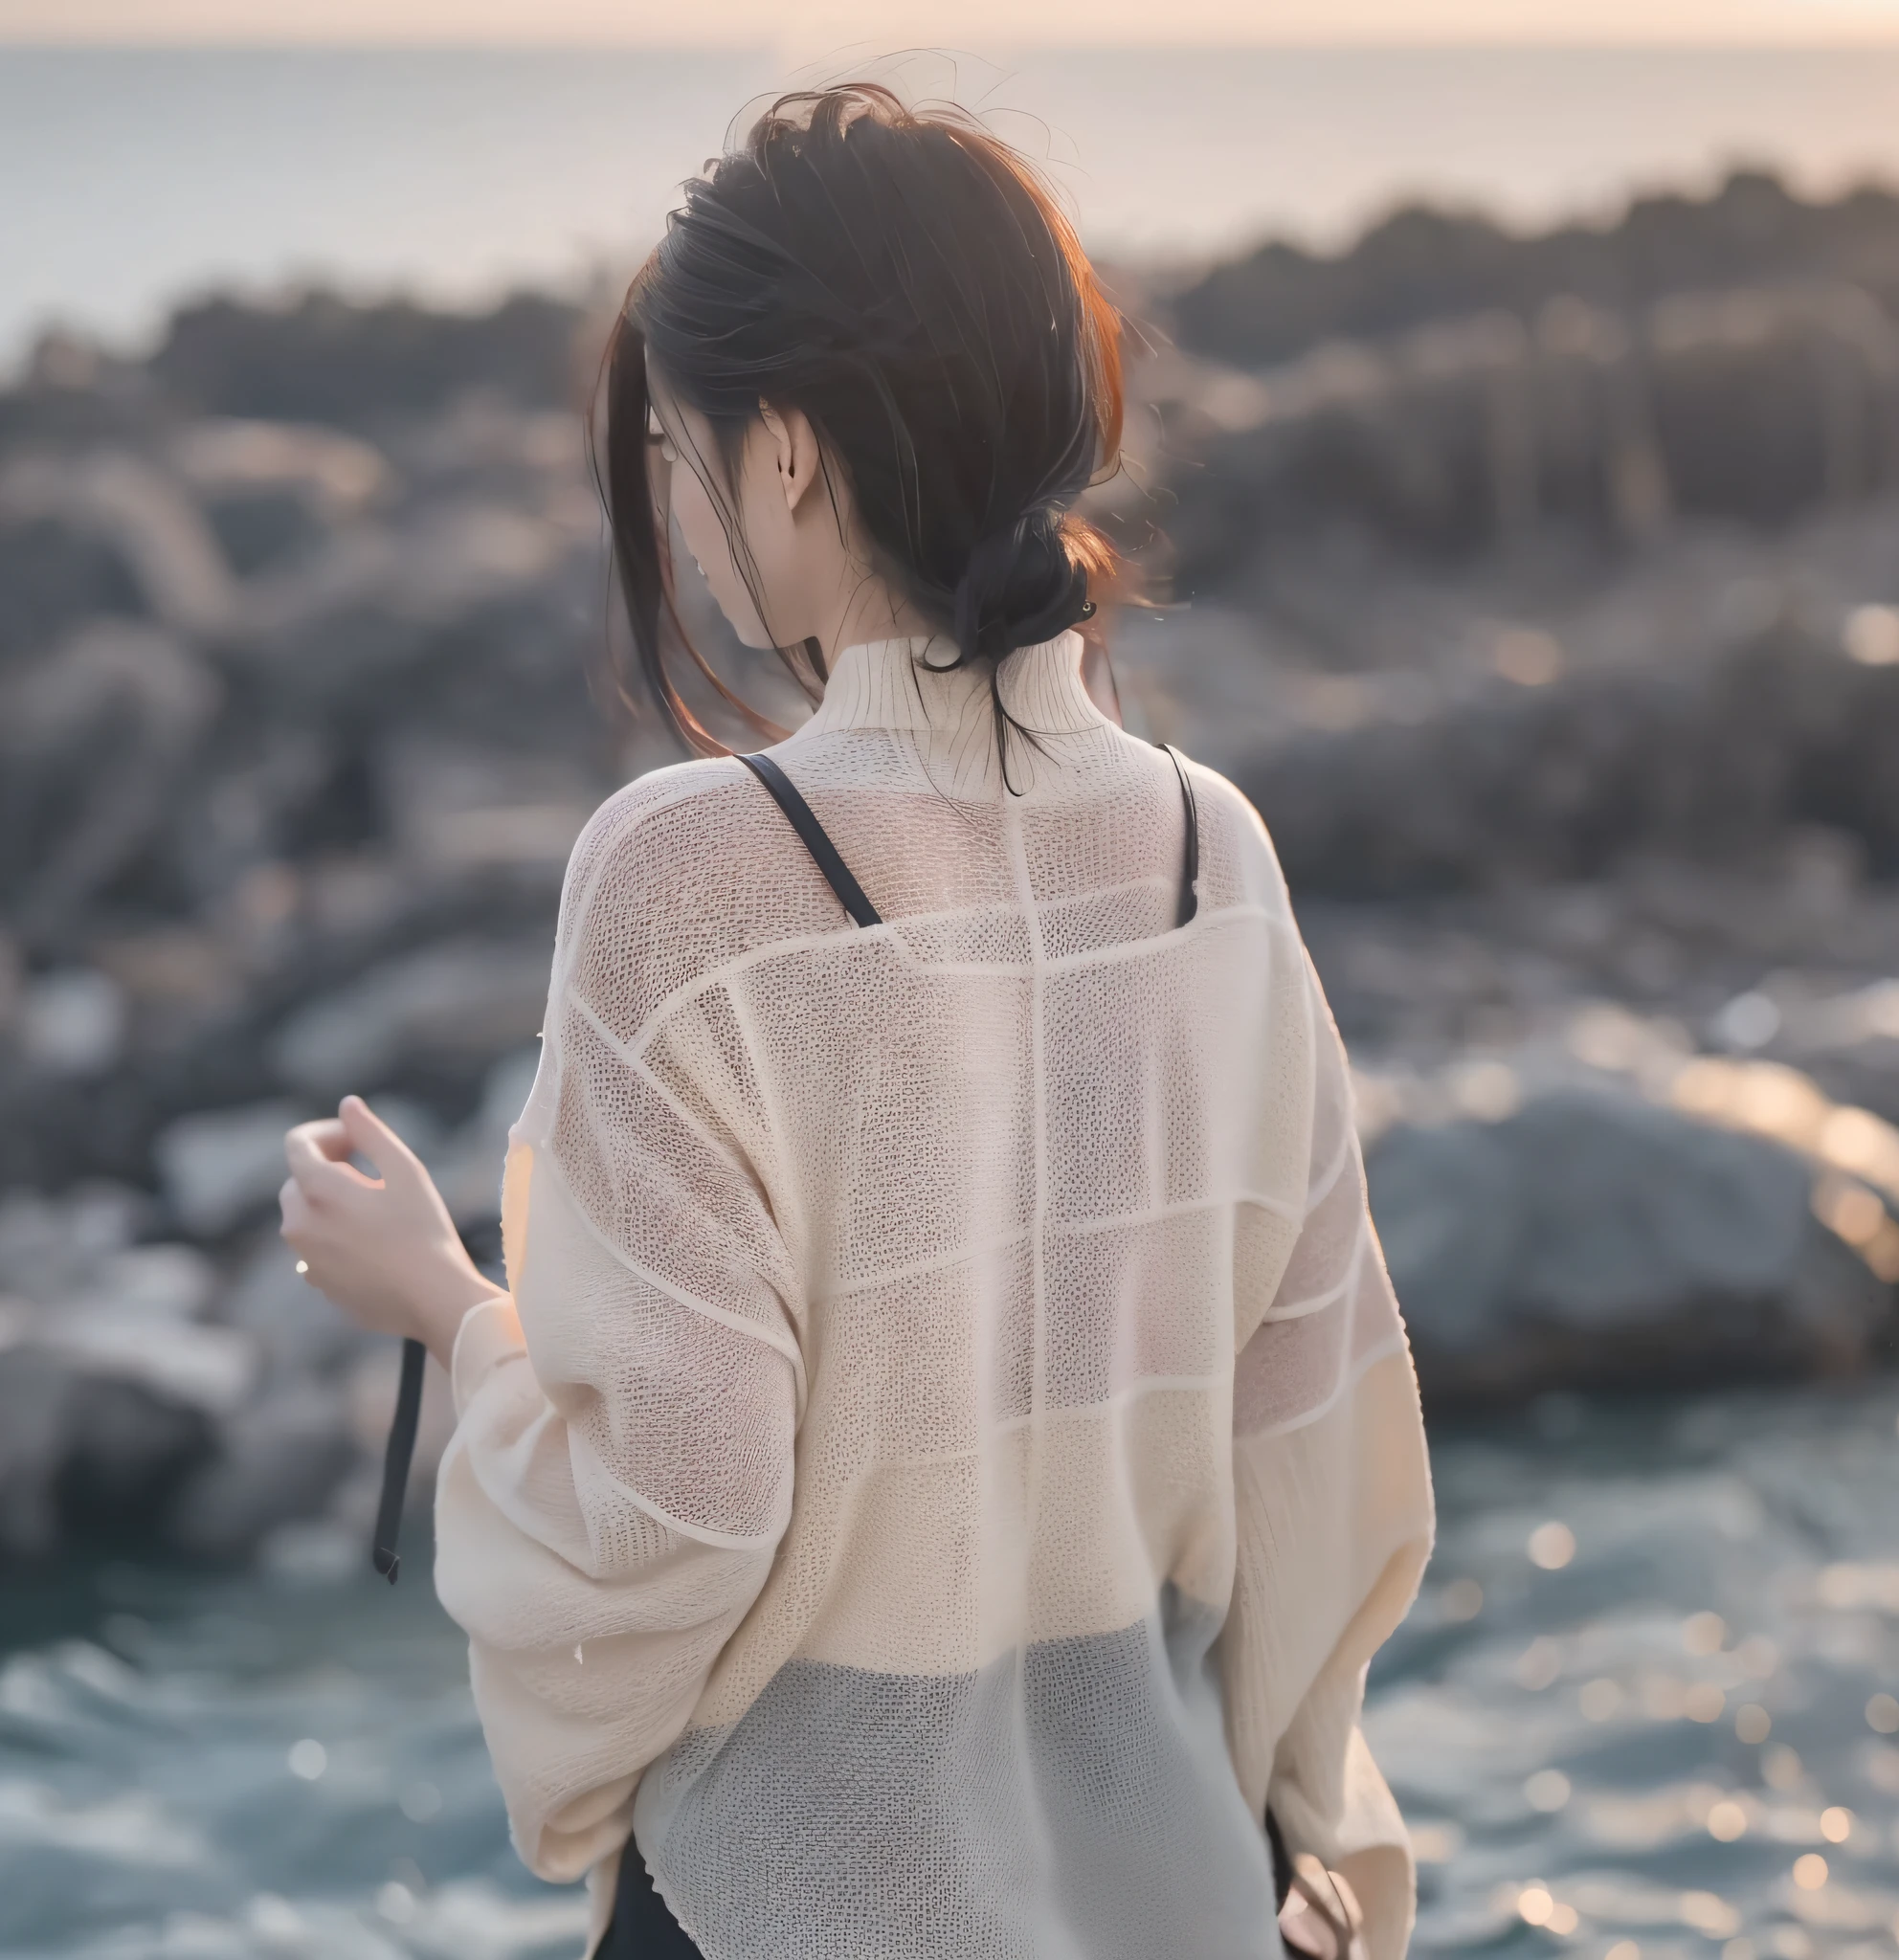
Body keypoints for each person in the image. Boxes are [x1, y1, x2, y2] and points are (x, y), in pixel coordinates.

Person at [279, 81, 1434, 1960]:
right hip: (1179, 1908)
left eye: (677, 447)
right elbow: (1315, 1455)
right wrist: (1322, 1858)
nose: (675, 499)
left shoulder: (689, 877)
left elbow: (676, 1508)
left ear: (791, 456)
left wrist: (444, 1309)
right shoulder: (1209, 854)